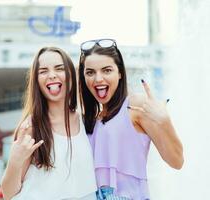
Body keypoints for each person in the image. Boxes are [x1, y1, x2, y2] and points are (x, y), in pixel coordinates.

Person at [78, 39, 184, 200]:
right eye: (90, 72)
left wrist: (165, 121)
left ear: (120, 73)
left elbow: (177, 161)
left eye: (106, 70)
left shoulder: (135, 106)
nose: (98, 79)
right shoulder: (92, 119)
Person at [1, 47, 97, 200]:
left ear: (71, 75)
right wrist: (14, 161)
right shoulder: (31, 127)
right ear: (36, 81)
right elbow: (8, 194)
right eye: (43, 71)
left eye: (59, 69)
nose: (52, 75)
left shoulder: (87, 122)